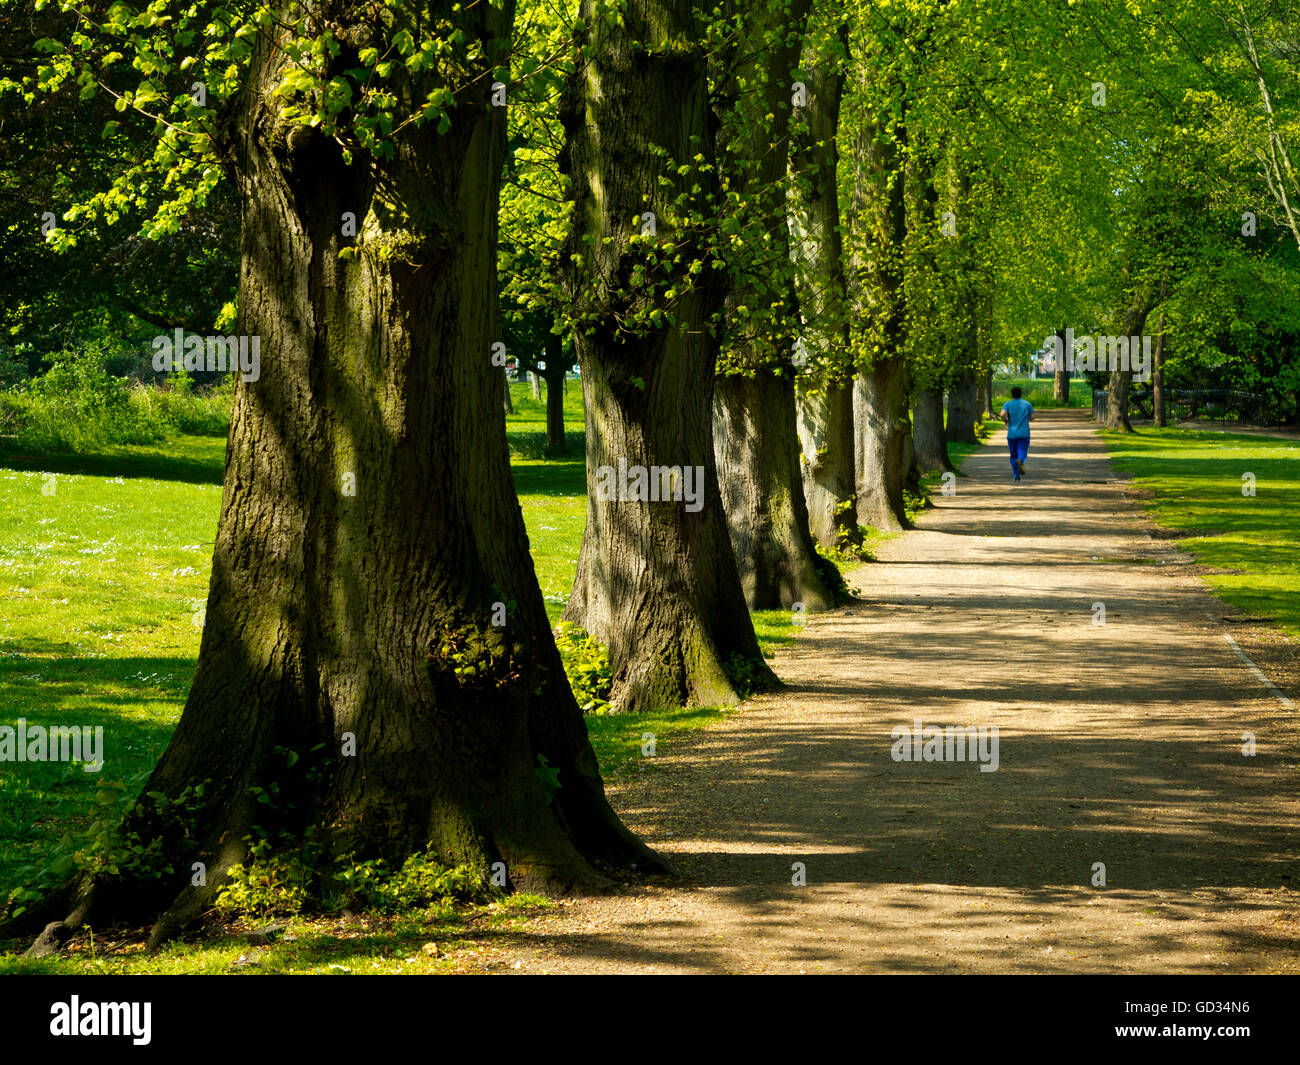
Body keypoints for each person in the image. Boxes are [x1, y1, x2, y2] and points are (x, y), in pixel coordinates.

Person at [999, 386, 1034, 482]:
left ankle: (1016, 476)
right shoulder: (1027, 404)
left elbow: (1002, 414)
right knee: (1022, 451)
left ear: (1012, 394)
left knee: (1013, 455)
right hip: (1024, 432)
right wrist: (1028, 418)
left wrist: (1006, 420)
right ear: (1020, 394)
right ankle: (1021, 460)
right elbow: (1032, 417)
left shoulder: (1008, 404)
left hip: (1012, 433)